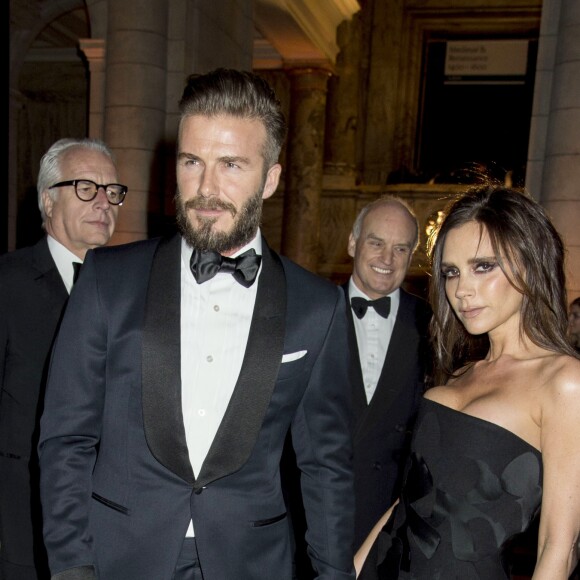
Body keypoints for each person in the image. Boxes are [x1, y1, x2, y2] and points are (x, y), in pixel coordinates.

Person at [38, 69, 355, 580]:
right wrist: (73, 565)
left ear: (271, 178)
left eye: (231, 165)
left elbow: (326, 467)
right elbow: (65, 440)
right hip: (119, 558)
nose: (206, 188)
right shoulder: (108, 281)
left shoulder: (318, 306)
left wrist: (335, 573)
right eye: (192, 162)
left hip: (250, 563)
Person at [355, 184, 580, 579]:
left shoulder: (564, 382)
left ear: (529, 263)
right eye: (451, 272)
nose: (462, 290)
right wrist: (352, 569)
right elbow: (409, 500)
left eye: (483, 266)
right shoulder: (460, 373)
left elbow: (557, 548)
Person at [0, 138, 124, 579]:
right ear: (47, 200)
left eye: (112, 191)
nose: (104, 202)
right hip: (20, 534)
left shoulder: (131, 294)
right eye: (86, 188)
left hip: (109, 533)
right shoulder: (8, 283)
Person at [344, 196, 431, 550]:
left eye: (400, 248)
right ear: (353, 242)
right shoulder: (313, 312)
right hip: (312, 515)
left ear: (412, 256)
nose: (386, 259)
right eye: (376, 242)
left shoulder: (433, 325)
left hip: (390, 524)